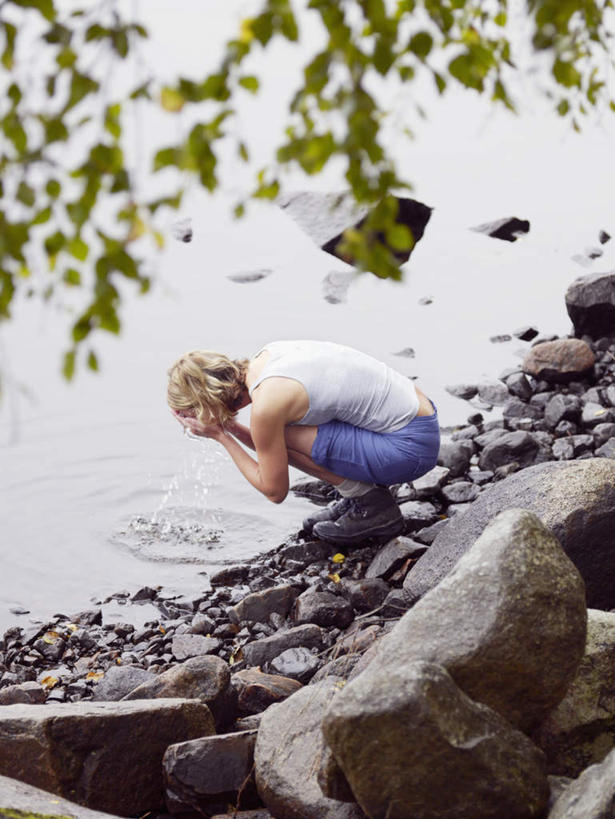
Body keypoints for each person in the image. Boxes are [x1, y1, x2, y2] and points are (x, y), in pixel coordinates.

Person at [167, 339, 440, 547]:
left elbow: (274, 491)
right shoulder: (267, 358)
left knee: (279, 433)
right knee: (276, 434)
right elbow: (268, 446)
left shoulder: (267, 405)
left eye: (193, 411)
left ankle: (372, 505)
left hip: (409, 449)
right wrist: (230, 426)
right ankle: (358, 494)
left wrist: (221, 436)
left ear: (207, 400)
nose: (194, 419)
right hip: (420, 423)